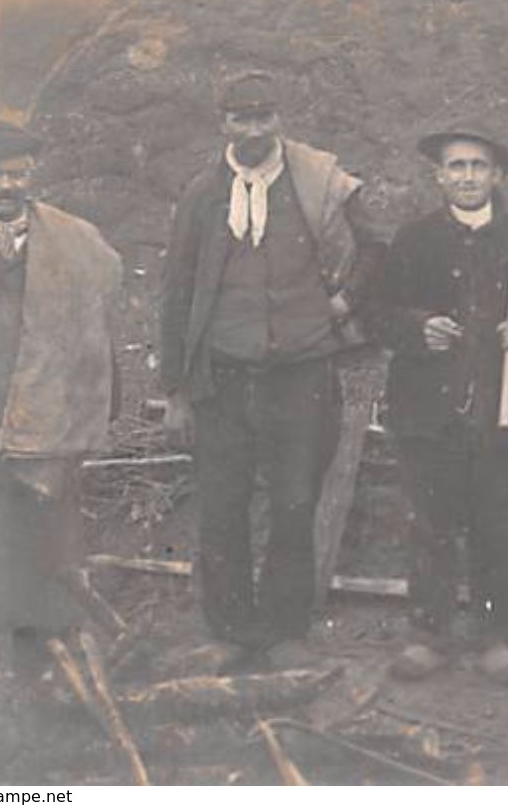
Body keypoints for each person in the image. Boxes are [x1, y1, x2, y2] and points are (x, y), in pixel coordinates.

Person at [159, 70, 385, 667]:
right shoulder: (202, 193)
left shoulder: (319, 182)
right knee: (223, 503)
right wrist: (177, 388)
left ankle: (286, 631)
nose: (253, 129)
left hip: (302, 372)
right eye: (240, 118)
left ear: (279, 117)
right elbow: (176, 291)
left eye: (264, 116)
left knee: (293, 500)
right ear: (223, 124)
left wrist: (343, 303)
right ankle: (230, 631)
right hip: (224, 376)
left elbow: (374, 251)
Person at [0, 120, 122, 771]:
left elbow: (103, 316)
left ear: (33, 171)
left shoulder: (75, 243)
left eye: (16, 171)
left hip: (42, 412)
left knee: (42, 535)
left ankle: (42, 672)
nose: (5, 184)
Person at [372, 123, 508, 686]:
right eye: (456, 167)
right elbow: (378, 315)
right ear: (439, 177)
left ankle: (496, 637)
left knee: (496, 526)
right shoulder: (413, 240)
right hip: (427, 412)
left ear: (498, 176)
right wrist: (416, 328)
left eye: (478, 167)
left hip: (500, 410)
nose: (466, 177)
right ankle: (429, 634)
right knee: (430, 526)